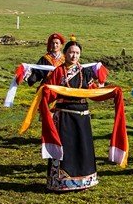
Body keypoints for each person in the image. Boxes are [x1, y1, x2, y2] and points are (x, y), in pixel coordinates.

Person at [44, 39, 104, 192]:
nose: (74, 55)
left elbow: (92, 92)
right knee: (67, 148)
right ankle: (61, 182)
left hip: (82, 116)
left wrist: (105, 90)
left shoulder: (86, 72)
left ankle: (85, 180)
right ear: (65, 54)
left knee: (82, 147)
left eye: (77, 53)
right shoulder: (58, 72)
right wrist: (45, 101)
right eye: (71, 52)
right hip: (64, 115)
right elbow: (50, 93)